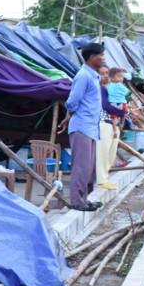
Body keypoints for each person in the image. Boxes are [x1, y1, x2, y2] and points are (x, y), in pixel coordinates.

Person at [59, 42, 105, 211]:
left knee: (90, 168)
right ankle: (77, 201)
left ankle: (85, 199)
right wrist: (71, 114)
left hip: (91, 127)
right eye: (101, 55)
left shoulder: (94, 75)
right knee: (81, 166)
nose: (103, 58)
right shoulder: (84, 76)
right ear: (92, 57)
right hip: (82, 127)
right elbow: (72, 101)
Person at [95, 65, 127, 191]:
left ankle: (105, 177)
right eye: (102, 73)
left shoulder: (109, 88)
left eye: (107, 73)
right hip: (103, 122)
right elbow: (106, 106)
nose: (105, 76)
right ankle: (101, 180)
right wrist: (122, 112)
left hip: (112, 123)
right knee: (103, 154)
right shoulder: (99, 88)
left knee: (110, 153)